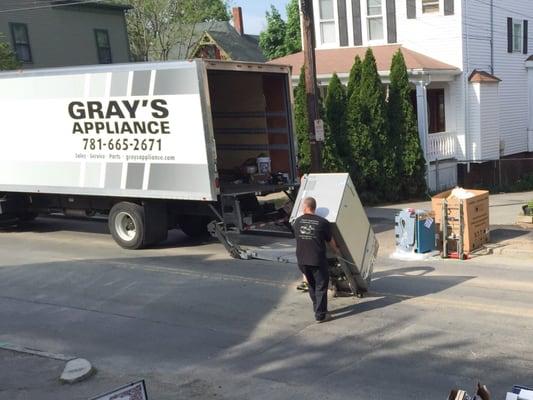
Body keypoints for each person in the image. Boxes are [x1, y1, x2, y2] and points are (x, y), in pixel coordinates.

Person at [293, 197, 337, 323]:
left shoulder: (297, 221)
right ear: (314, 207)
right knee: (321, 286)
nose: (301, 208)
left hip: (302, 260)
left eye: (302, 206)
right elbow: (330, 240)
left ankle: (317, 308)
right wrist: (336, 250)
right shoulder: (323, 222)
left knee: (312, 285)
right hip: (317, 260)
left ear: (306, 207)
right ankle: (321, 315)